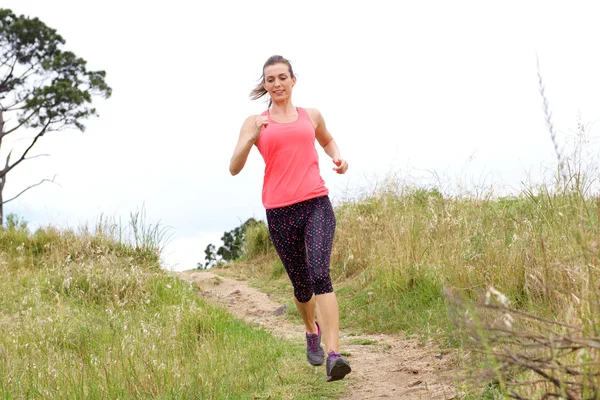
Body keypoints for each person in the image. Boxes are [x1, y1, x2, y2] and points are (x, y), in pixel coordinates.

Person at [229, 55, 351, 382]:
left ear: (293, 80)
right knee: (301, 284)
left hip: (316, 203)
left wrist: (337, 157)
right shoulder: (255, 121)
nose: (277, 84)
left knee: (319, 272)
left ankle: (334, 354)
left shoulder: (311, 115)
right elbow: (234, 166)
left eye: (283, 77)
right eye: (271, 80)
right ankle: (311, 329)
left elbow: (327, 140)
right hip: (279, 211)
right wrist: (252, 135)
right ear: (265, 85)